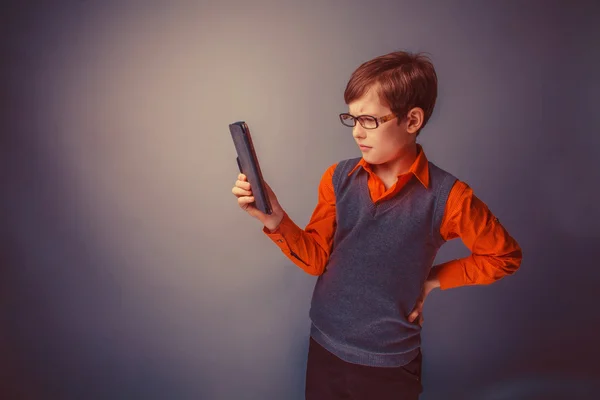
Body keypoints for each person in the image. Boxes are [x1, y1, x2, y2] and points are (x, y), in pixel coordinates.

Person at [231, 51, 523, 400]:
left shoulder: (450, 198)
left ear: (412, 120)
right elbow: (316, 261)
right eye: (351, 119)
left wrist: (433, 279)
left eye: (369, 120)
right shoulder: (337, 178)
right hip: (324, 346)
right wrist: (274, 218)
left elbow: (503, 256)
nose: (357, 133)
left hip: (389, 366)